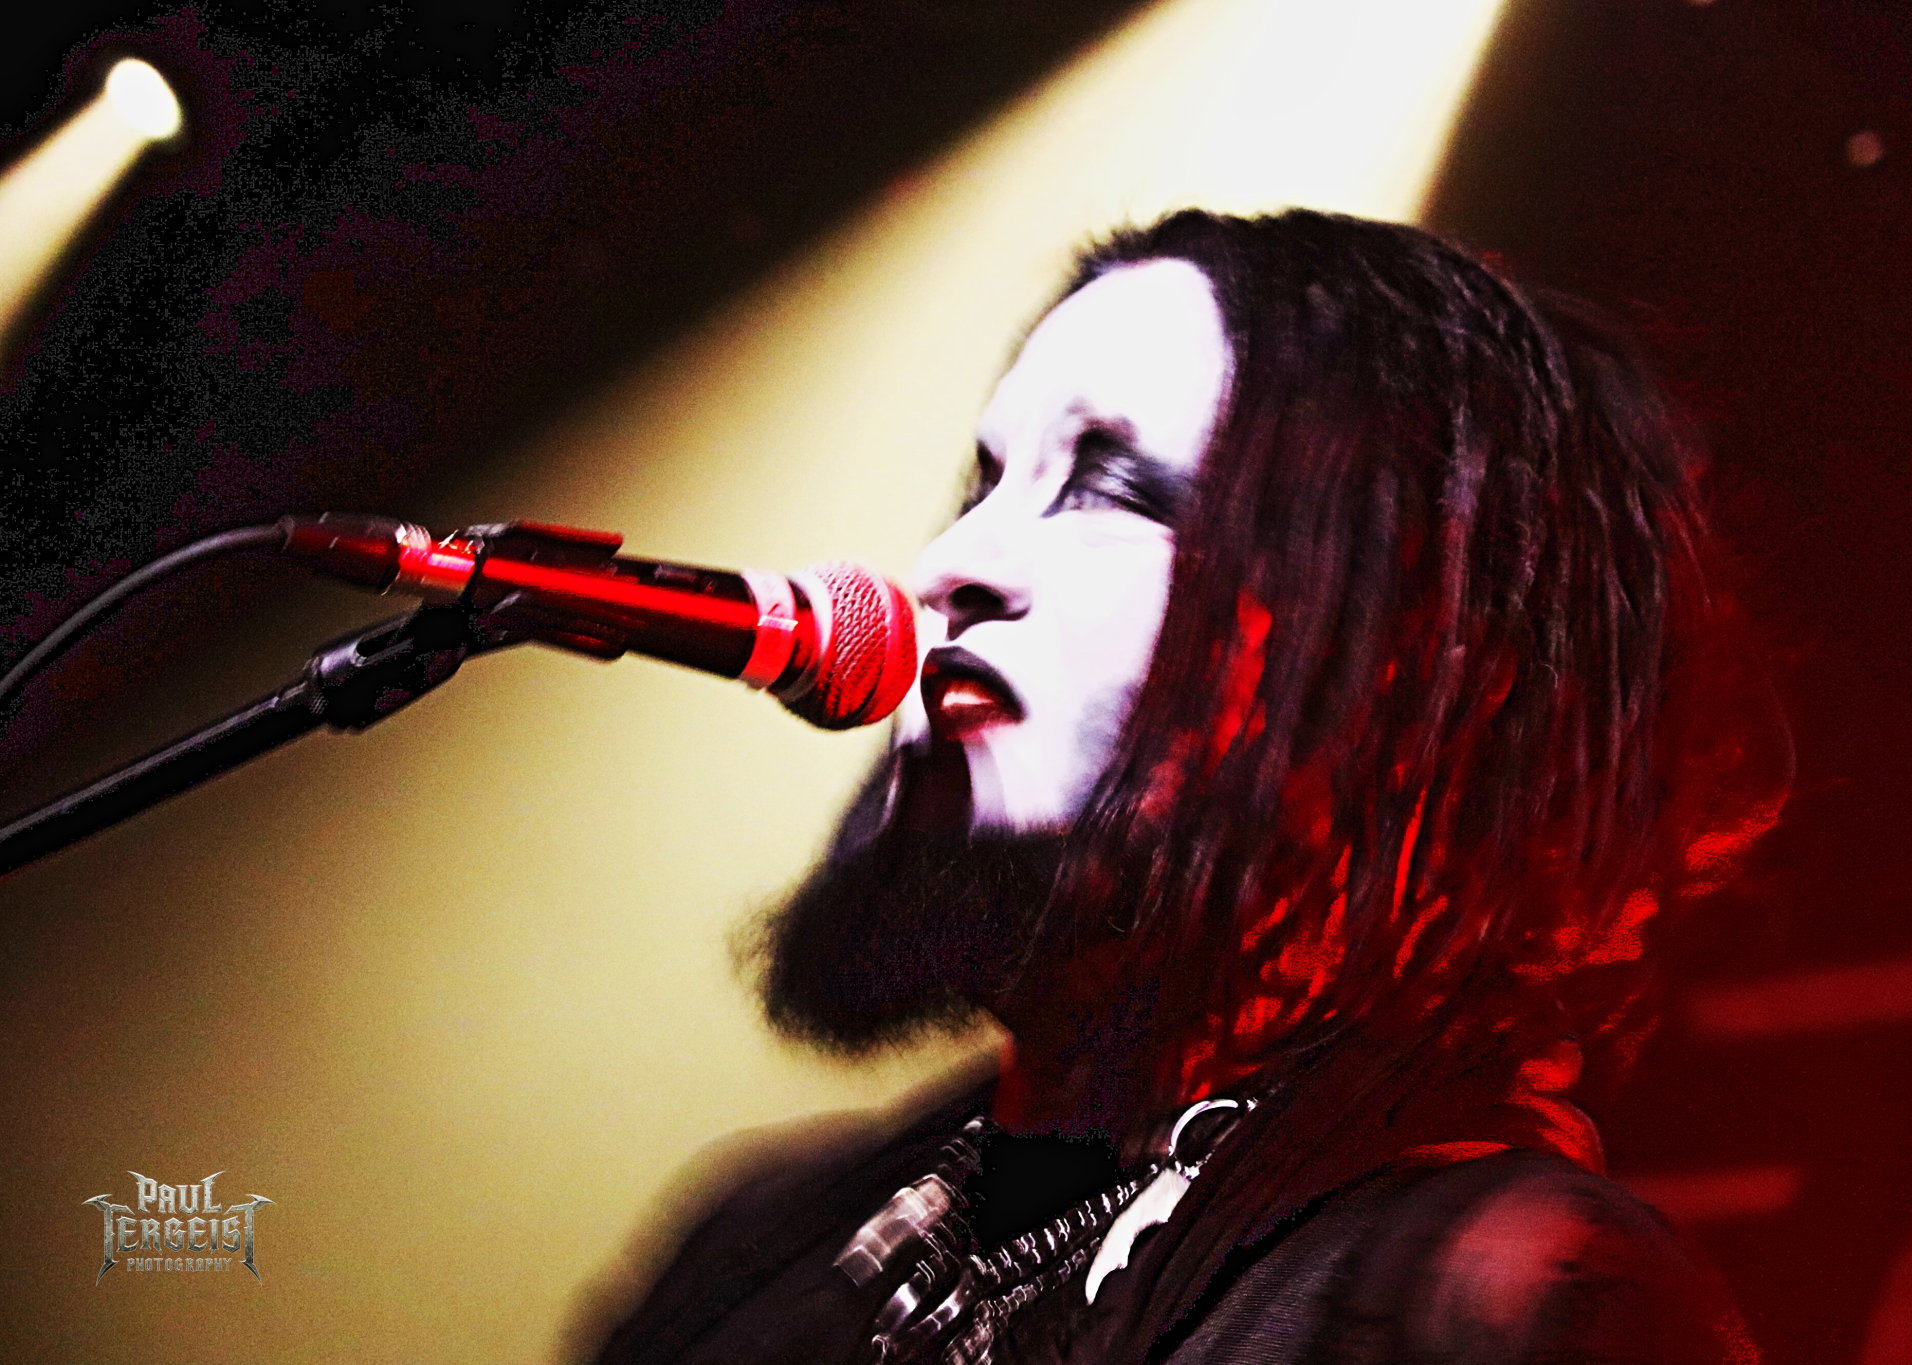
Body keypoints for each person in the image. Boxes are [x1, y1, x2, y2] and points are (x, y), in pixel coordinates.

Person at [586, 209, 1784, 1364]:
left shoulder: (1502, 1302)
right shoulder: (756, 1249)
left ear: (1408, 651)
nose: (949, 566)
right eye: (984, 485)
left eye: (1107, 489)